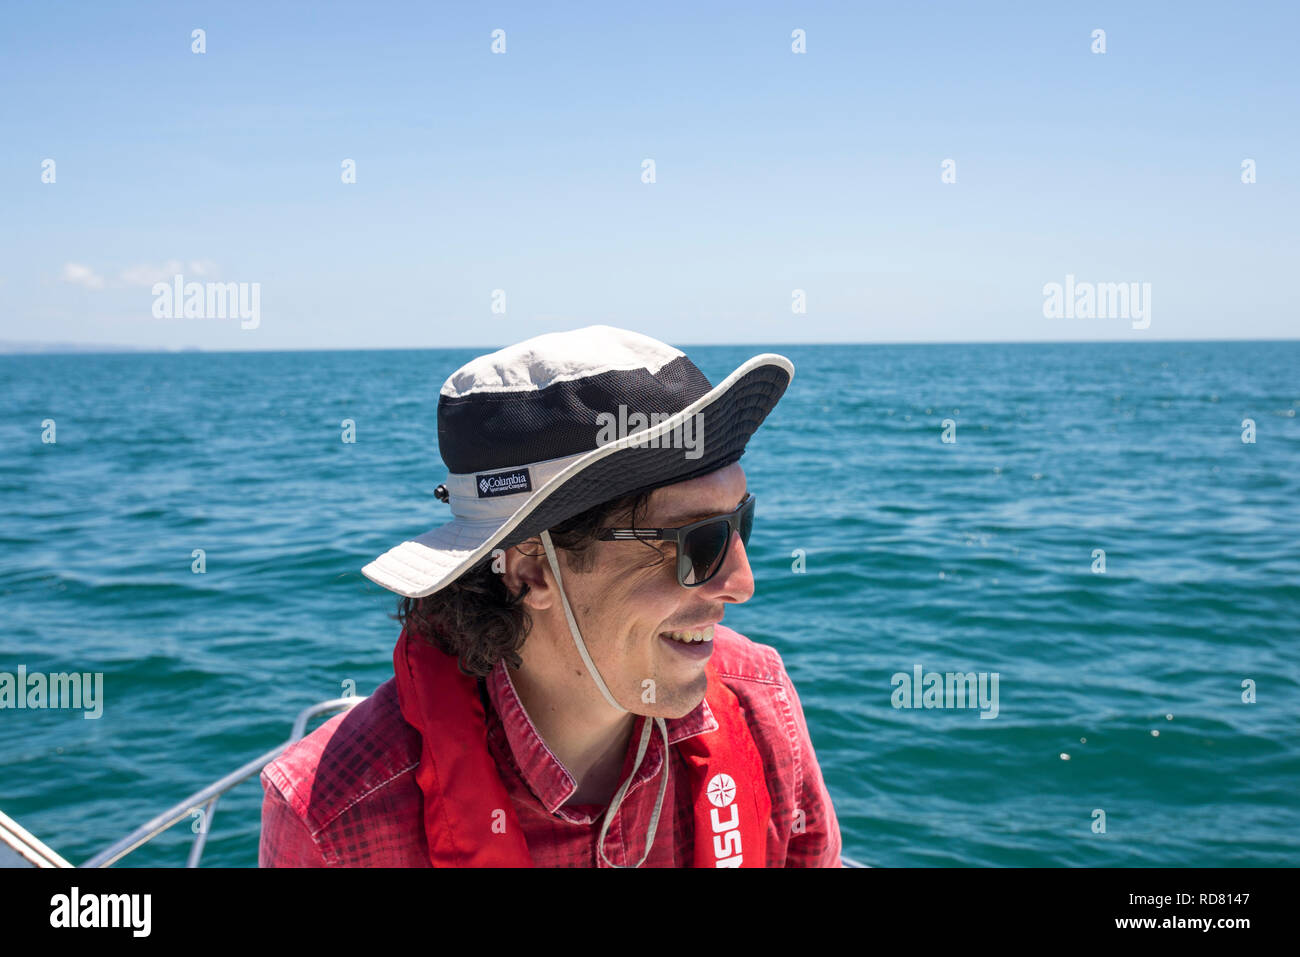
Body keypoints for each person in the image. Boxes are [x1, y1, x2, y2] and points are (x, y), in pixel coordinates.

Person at [258, 325, 843, 867]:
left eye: (740, 525)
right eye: (700, 541)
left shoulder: (764, 701)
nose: (742, 584)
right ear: (532, 569)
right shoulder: (335, 823)